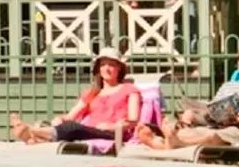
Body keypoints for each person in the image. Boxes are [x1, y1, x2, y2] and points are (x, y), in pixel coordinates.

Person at [136, 37, 239, 153]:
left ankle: (166, 143)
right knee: (187, 123)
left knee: (212, 136)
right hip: (214, 126)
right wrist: (193, 114)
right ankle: (173, 140)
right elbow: (212, 111)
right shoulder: (228, 85)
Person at [10, 47, 141, 145]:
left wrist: (112, 126)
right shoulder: (92, 93)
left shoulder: (129, 90)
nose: (106, 68)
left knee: (74, 128)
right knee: (71, 126)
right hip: (90, 131)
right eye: (103, 65)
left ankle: (31, 130)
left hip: (113, 134)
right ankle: (32, 138)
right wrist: (60, 119)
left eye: (111, 65)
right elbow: (70, 116)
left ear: (119, 69)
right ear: (98, 69)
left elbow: (133, 119)